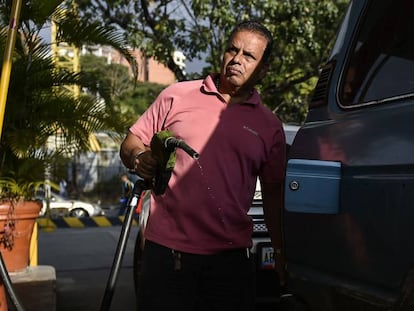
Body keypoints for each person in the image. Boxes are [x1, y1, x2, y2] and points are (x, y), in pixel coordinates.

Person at [120, 20, 287, 311]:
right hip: (167, 257)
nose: (237, 59)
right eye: (232, 50)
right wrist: (138, 158)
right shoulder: (177, 95)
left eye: (249, 55)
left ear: (263, 69)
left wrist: (281, 253)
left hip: (231, 264)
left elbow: (273, 195)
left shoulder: (269, 126)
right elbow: (131, 142)